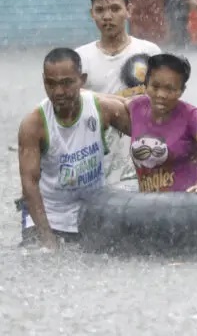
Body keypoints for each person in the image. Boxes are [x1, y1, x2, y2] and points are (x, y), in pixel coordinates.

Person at [16, 47, 132, 250]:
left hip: (91, 212)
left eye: (67, 83)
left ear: (82, 79)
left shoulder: (102, 108)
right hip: (48, 214)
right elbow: (29, 185)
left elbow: (148, 133)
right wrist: (47, 239)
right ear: (44, 81)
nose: (59, 92)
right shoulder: (33, 125)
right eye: (51, 84)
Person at [75, 0, 161, 185]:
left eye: (115, 9)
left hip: (144, 157)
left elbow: (166, 105)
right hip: (98, 160)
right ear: (91, 14)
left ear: (128, 10)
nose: (107, 16)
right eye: (100, 10)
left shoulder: (150, 53)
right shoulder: (80, 59)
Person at [127, 53, 197, 193]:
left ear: (181, 91)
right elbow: (106, 103)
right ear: (146, 84)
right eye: (155, 86)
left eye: (170, 89)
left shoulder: (192, 116)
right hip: (148, 208)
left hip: (186, 205)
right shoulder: (136, 107)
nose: (161, 94)